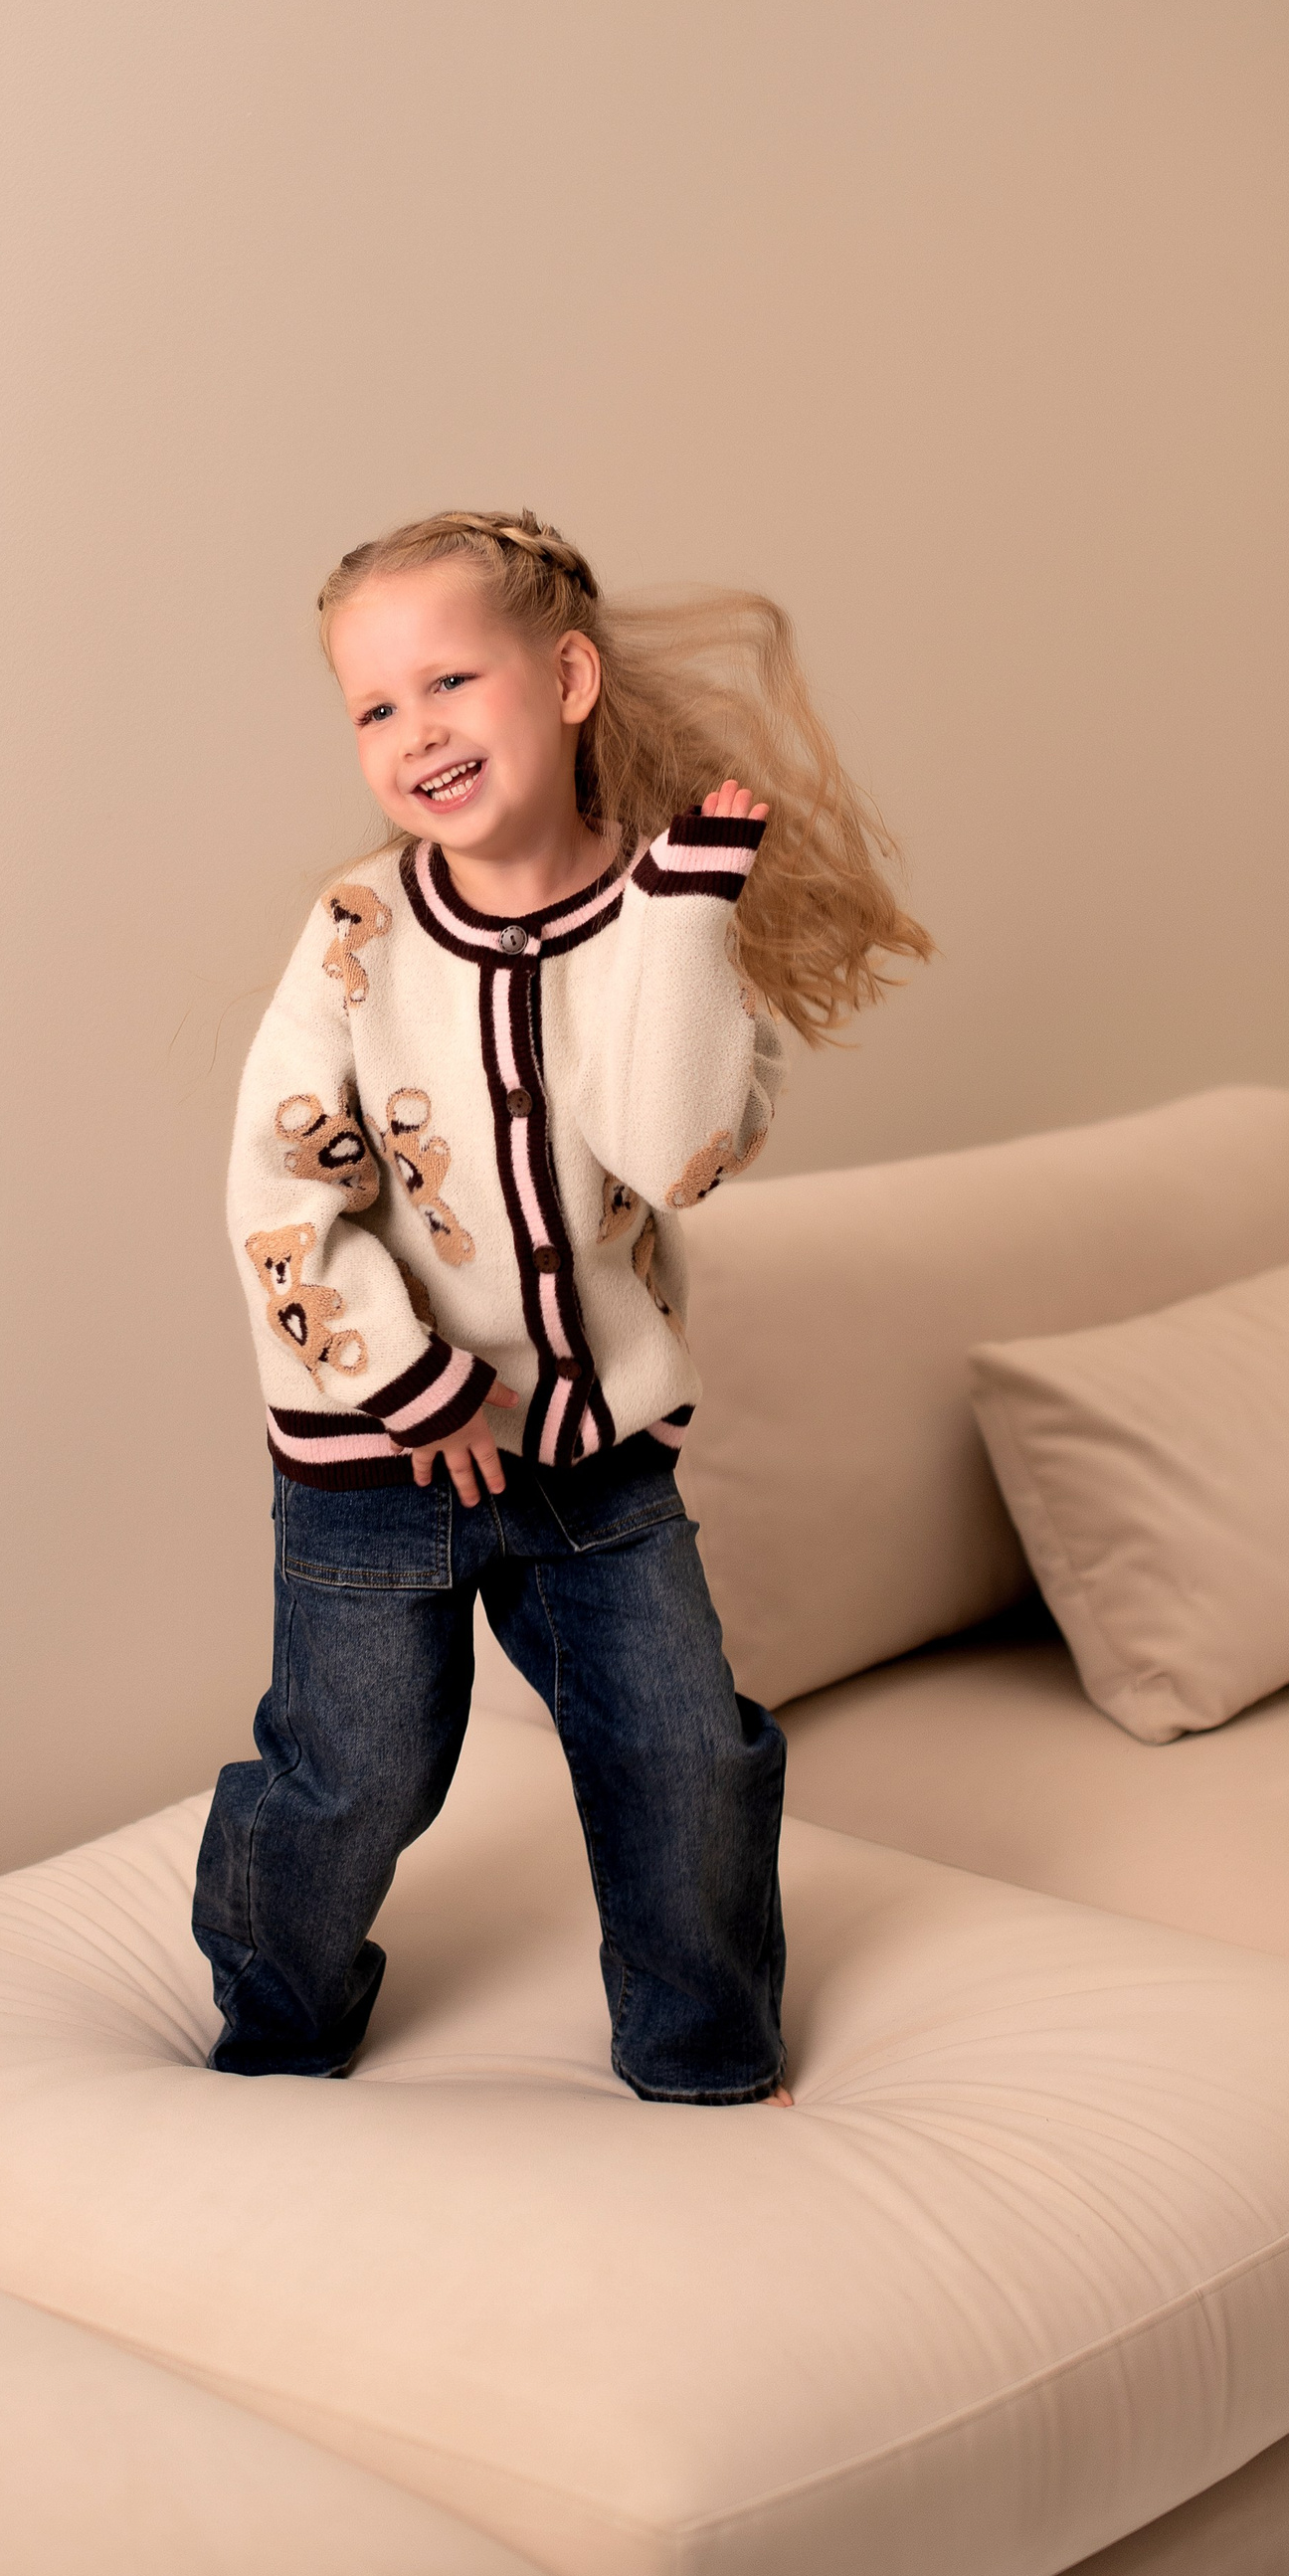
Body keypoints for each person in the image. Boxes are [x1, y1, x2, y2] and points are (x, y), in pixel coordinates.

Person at [194, 509, 931, 2105]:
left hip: (594, 1456)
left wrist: (684, 915)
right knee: (351, 1780)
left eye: (450, 680)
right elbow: (278, 1190)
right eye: (375, 706)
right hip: (378, 1460)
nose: (415, 730)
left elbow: (673, 1155)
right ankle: (275, 2025)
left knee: (686, 1757)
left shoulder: (671, 923)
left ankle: (703, 2052)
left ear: (569, 678)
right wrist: (416, 1385)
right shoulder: (357, 934)